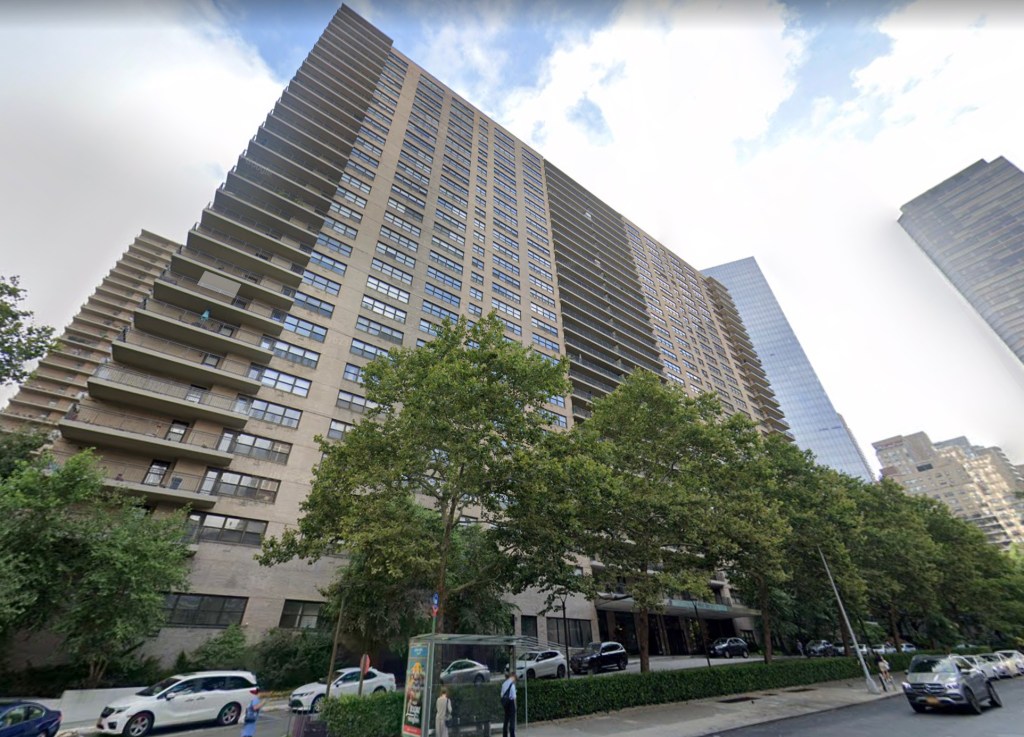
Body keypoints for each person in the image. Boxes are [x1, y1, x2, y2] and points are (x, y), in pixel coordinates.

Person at [500, 671, 517, 737]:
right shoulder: (512, 685)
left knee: (506, 720)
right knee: (512, 721)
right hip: (511, 703)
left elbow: (501, 695)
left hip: (505, 703)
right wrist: (515, 706)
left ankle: (505, 735)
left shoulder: (504, 684)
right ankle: (512, 735)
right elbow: (514, 697)